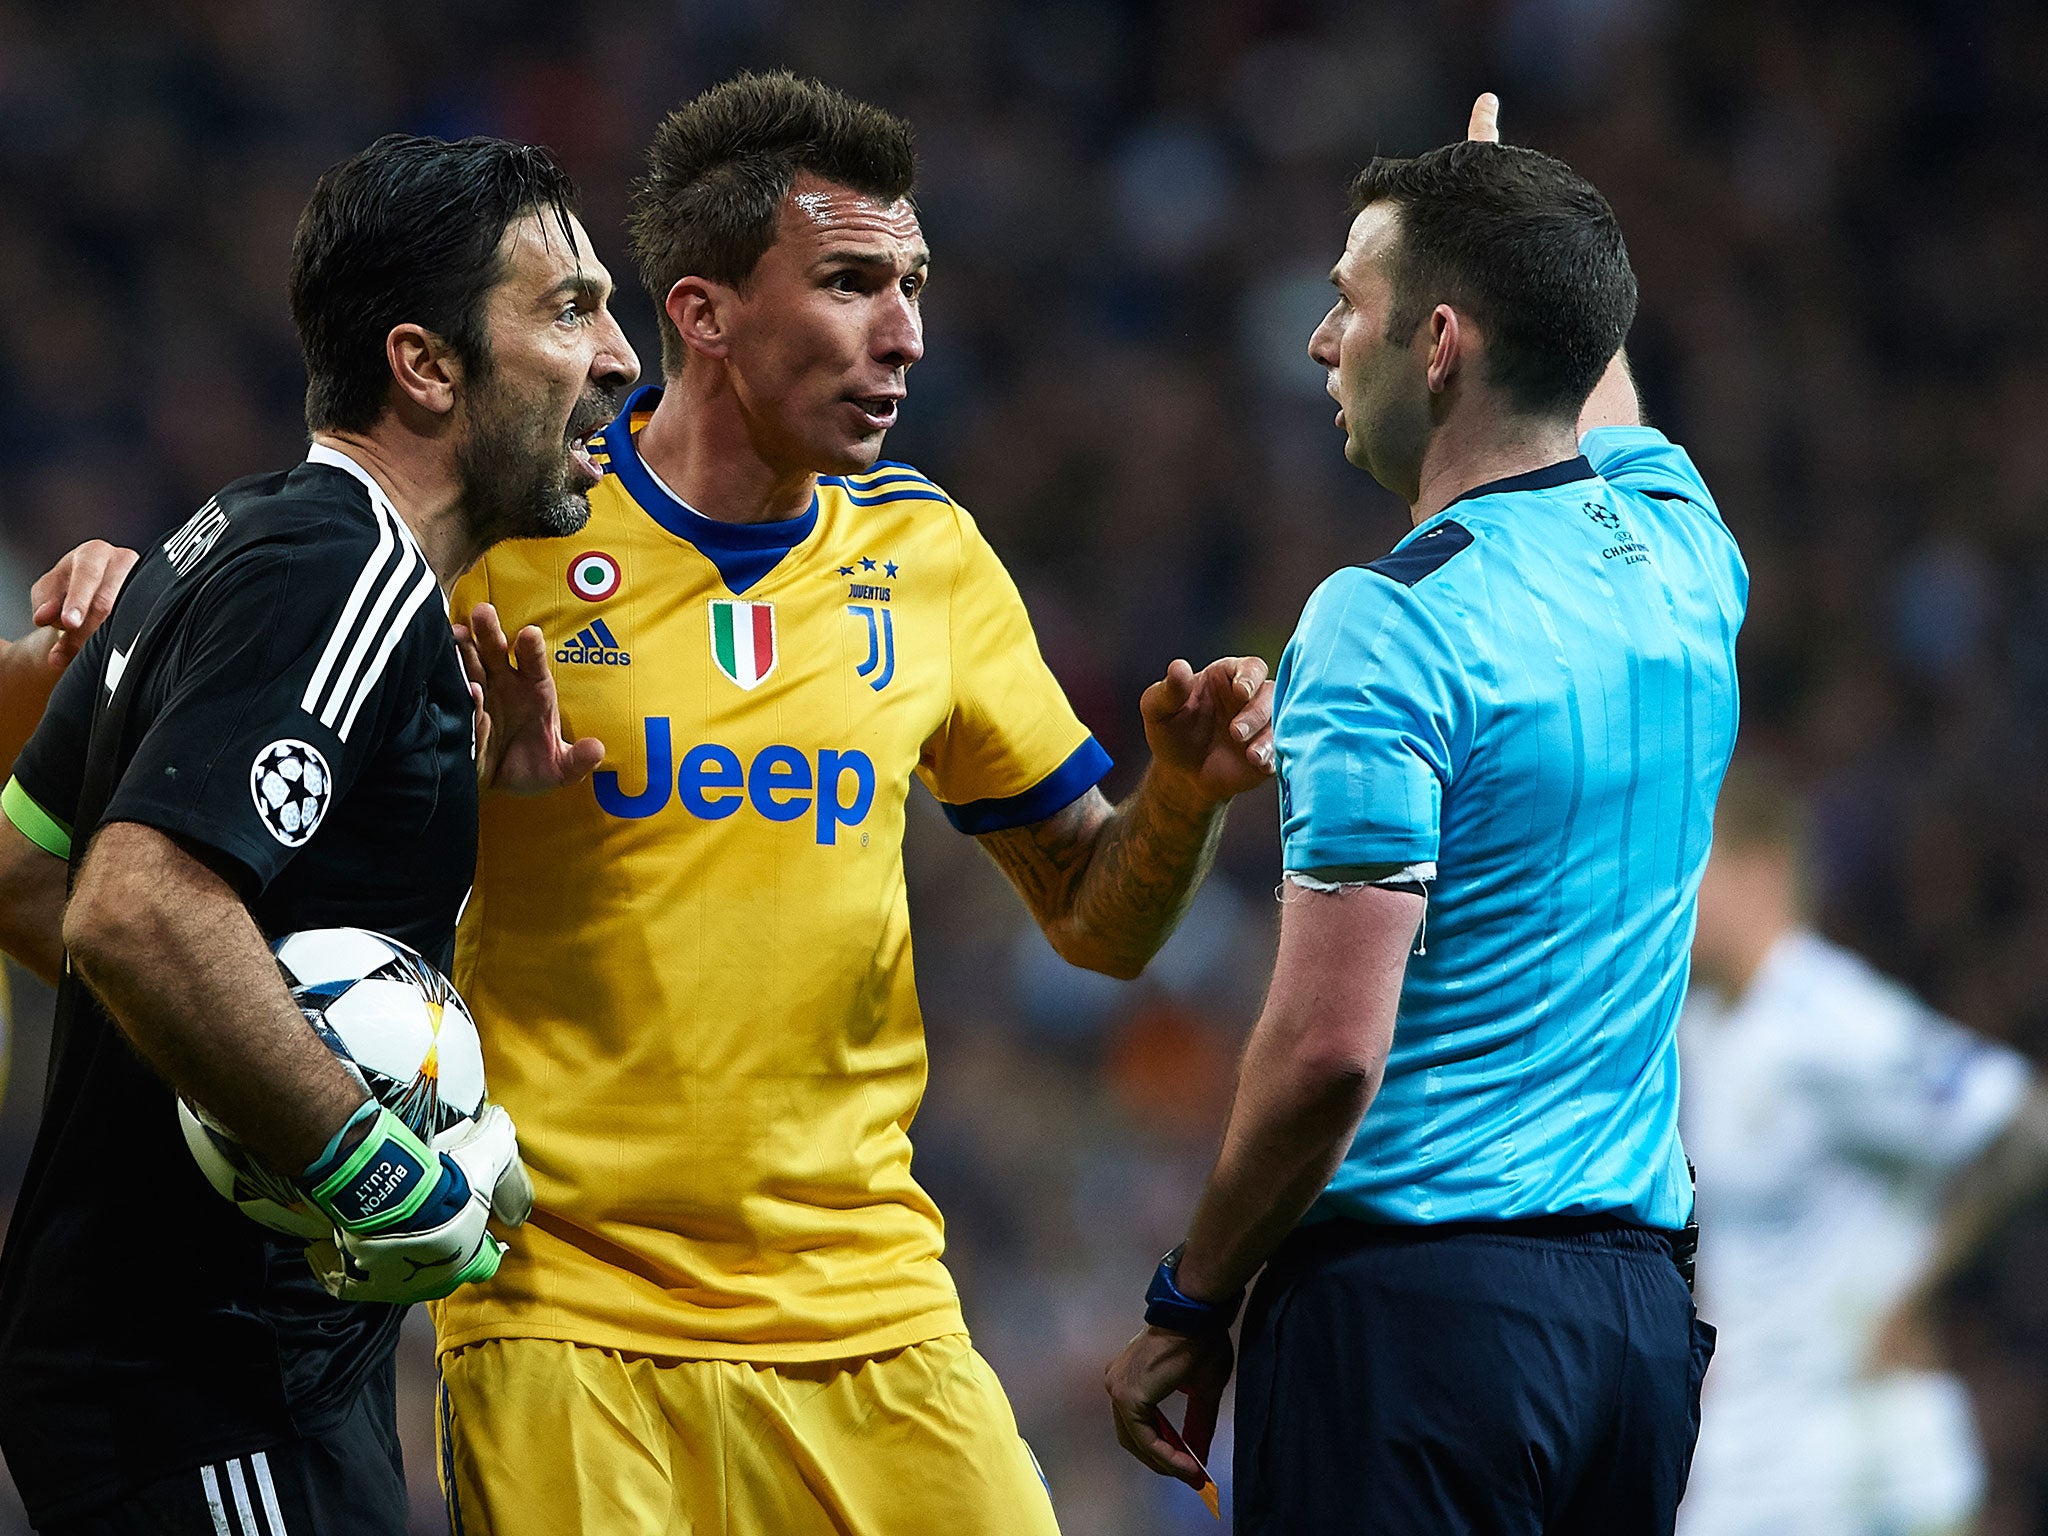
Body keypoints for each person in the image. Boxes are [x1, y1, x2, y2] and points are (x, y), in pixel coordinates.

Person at [429, 71, 1275, 1536]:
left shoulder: (928, 558)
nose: (908, 334)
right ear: (701, 315)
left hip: (868, 1307)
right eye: (850, 283)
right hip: (563, 1303)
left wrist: (1184, 799)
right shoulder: (506, 543)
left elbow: (1093, 917)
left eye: (913, 285)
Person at [1105, 95, 1746, 1533]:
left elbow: (1332, 1050)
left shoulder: (1386, 625)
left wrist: (1190, 1294)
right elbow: (1593, 374)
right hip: (1635, 1337)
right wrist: (1515, 203)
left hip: (1419, 1331)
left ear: (1439, 342)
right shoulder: (1686, 549)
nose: (1324, 342)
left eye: (1348, 304)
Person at [0, 133, 637, 1535]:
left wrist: (253, 1069)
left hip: (171, 1384)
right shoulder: (339, 576)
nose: (620, 359)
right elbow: (132, 908)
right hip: (215, 1379)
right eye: (570, 310)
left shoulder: (217, 538)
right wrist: (365, 1156)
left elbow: (25, 867)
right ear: (427, 366)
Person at [1679, 754, 2039, 1536]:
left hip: (1859, 1449)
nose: (1674, 898)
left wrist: (1916, 1283)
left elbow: (2022, 1123)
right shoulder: (1702, 1031)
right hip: (1748, 1448)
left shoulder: (1828, 1018)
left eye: (1694, 869)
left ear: (1760, 870)